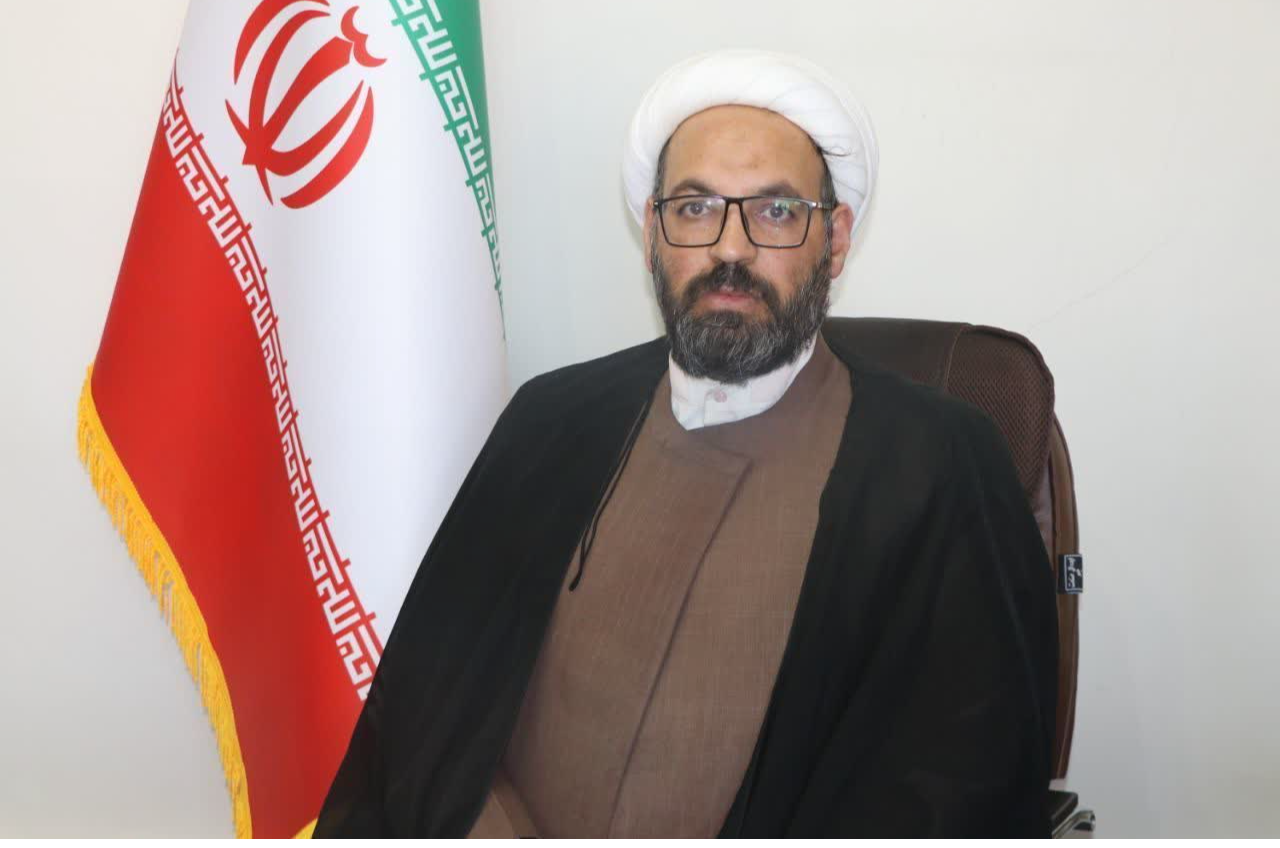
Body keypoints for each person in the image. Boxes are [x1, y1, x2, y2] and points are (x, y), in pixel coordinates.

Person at [314, 49, 1058, 838]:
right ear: (651, 233)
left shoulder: (940, 469)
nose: (730, 250)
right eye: (696, 208)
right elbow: (429, 712)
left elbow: (960, 787)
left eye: (776, 211)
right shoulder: (549, 423)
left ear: (835, 240)